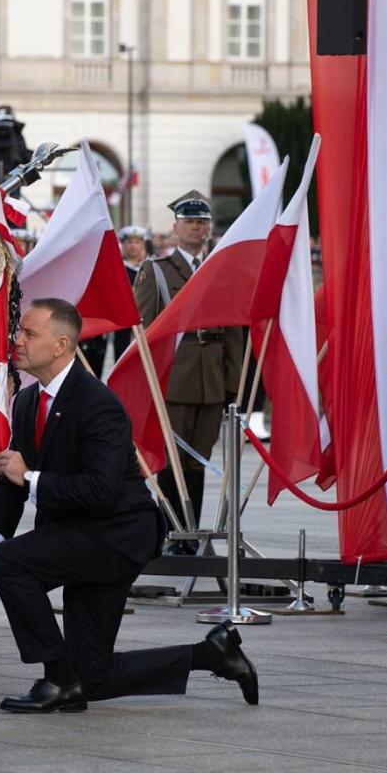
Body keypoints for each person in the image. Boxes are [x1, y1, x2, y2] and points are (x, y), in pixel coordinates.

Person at [0, 298, 258, 712]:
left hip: (117, 535)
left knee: (12, 565)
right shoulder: (28, 401)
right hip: (79, 534)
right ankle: (213, 654)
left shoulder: (97, 403)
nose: (17, 340)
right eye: (20, 331)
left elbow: (99, 489)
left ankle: (58, 679)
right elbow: (11, 480)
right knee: (94, 676)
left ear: (61, 345)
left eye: (29, 333)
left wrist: (30, 477)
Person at [133, 192, 244, 548]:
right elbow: (144, 330)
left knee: (198, 459)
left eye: (202, 222)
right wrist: (149, 381)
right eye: (190, 221)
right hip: (174, 380)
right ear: (175, 227)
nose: (197, 227)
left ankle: (190, 532)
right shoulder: (157, 271)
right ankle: (170, 532)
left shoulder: (220, 268)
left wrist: (233, 384)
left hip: (212, 379)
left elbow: (233, 331)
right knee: (172, 460)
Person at [111, 225, 150, 360]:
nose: (133, 246)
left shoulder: (149, 268)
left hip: (144, 319)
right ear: (123, 244)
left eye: (137, 242)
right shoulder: (117, 268)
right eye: (129, 242)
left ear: (143, 244)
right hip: (123, 322)